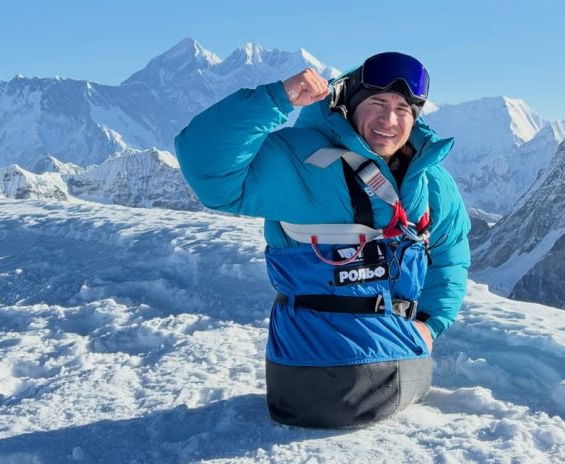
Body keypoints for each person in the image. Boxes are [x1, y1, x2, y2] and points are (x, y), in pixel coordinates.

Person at [174, 51, 471, 428]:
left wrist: (431, 322)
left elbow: (450, 257)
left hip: (407, 373)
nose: (389, 120)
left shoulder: (431, 181)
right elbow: (207, 170)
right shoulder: (304, 160)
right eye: (377, 103)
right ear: (349, 104)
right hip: (312, 382)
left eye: (402, 109)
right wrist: (276, 99)